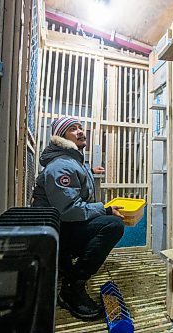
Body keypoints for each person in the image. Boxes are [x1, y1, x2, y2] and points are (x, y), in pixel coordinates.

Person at [31, 116, 125, 320]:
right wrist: (105, 209)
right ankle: (72, 287)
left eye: (81, 127)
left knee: (104, 222)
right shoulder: (61, 166)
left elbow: (73, 181)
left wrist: (90, 171)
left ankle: (65, 266)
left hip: (59, 228)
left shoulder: (73, 161)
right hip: (54, 234)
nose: (81, 131)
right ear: (60, 137)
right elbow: (69, 210)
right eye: (73, 129)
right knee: (112, 225)